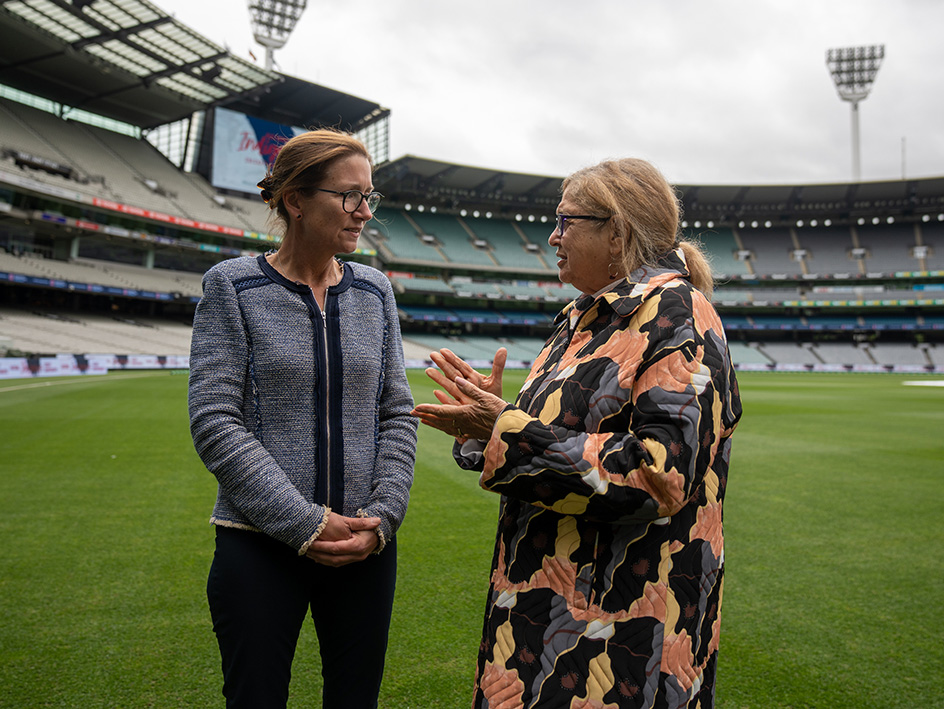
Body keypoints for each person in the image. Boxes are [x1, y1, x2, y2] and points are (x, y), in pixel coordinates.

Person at [413, 158, 742, 708]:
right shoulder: (579, 317)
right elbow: (552, 438)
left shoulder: (678, 313)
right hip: (542, 613)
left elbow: (655, 476)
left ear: (616, 230)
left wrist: (506, 429)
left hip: (619, 632)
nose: (552, 235)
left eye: (566, 221)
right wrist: (483, 429)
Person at [188, 128, 418, 708]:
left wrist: (382, 516)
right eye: (349, 196)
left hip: (365, 545)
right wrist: (304, 523)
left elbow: (396, 412)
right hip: (259, 546)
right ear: (294, 200)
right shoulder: (232, 287)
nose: (365, 212)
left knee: (354, 698)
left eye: (370, 196)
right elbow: (215, 420)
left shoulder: (375, 292)